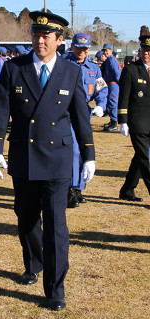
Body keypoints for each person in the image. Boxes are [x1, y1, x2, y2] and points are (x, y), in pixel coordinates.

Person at [0, 11, 95, 311]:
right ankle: (34, 263)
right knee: (26, 218)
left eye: (47, 36)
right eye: (36, 35)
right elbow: (0, 110)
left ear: (59, 41)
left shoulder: (70, 72)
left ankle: (55, 287)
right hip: (24, 155)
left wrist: (89, 154)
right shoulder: (14, 68)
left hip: (57, 159)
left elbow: (80, 118)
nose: (40, 40)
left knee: (57, 225)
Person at [65, 33, 108, 208]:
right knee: (73, 151)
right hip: (66, 112)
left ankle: (79, 188)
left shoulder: (94, 67)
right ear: (72, 47)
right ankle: (70, 188)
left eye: (85, 48)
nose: (82, 51)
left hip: (85, 112)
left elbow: (101, 88)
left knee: (84, 151)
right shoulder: (64, 64)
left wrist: (101, 105)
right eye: (78, 47)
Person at [117, 35, 150, 202]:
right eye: (144, 50)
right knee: (146, 159)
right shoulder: (131, 69)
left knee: (139, 157)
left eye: (149, 51)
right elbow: (123, 97)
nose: (146, 54)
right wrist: (122, 120)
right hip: (138, 122)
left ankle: (127, 190)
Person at [101, 44, 121, 131]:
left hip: (113, 84)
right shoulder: (109, 60)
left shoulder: (112, 60)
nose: (105, 52)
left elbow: (117, 74)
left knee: (112, 102)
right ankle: (112, 121)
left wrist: (120, 83)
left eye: (107, 50)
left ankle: (114, 122)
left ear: (111, 51)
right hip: (109, 83)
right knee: (110, 102)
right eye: (104, 51)